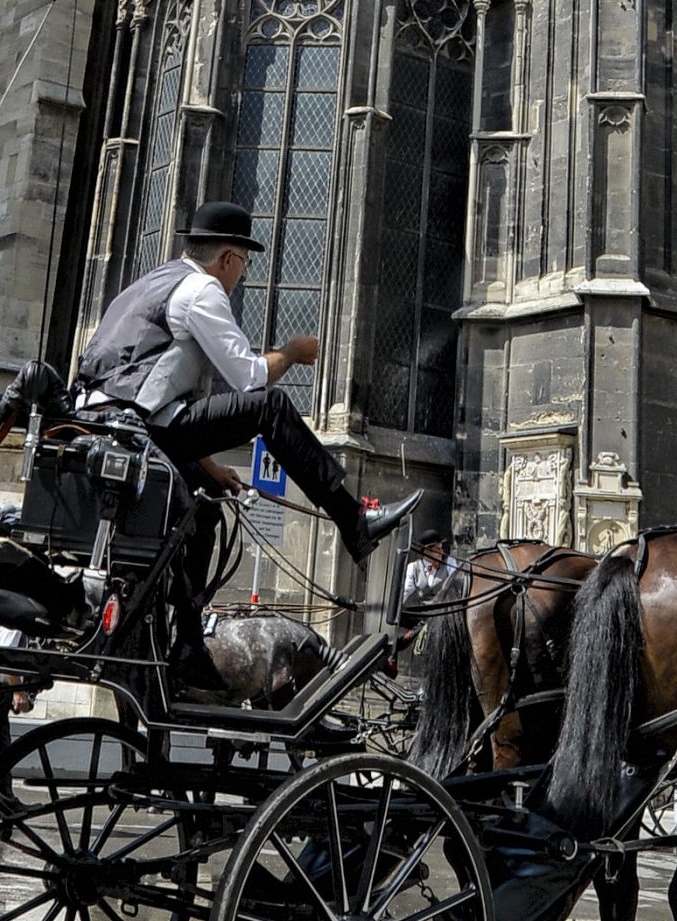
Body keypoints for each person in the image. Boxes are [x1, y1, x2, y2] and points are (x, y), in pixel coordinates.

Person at [73, 202, 419, 691]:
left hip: (112, 423)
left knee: (205, 510)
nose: (241, 278)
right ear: (229, 258)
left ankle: (188, 643)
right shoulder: (201, 291)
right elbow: (248, 378)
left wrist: (210, 467)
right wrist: (294, 353)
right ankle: (353, 520)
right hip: (136, 426)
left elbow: (163, 398)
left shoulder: (149, 284)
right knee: (271, 409)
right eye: (244, 267)